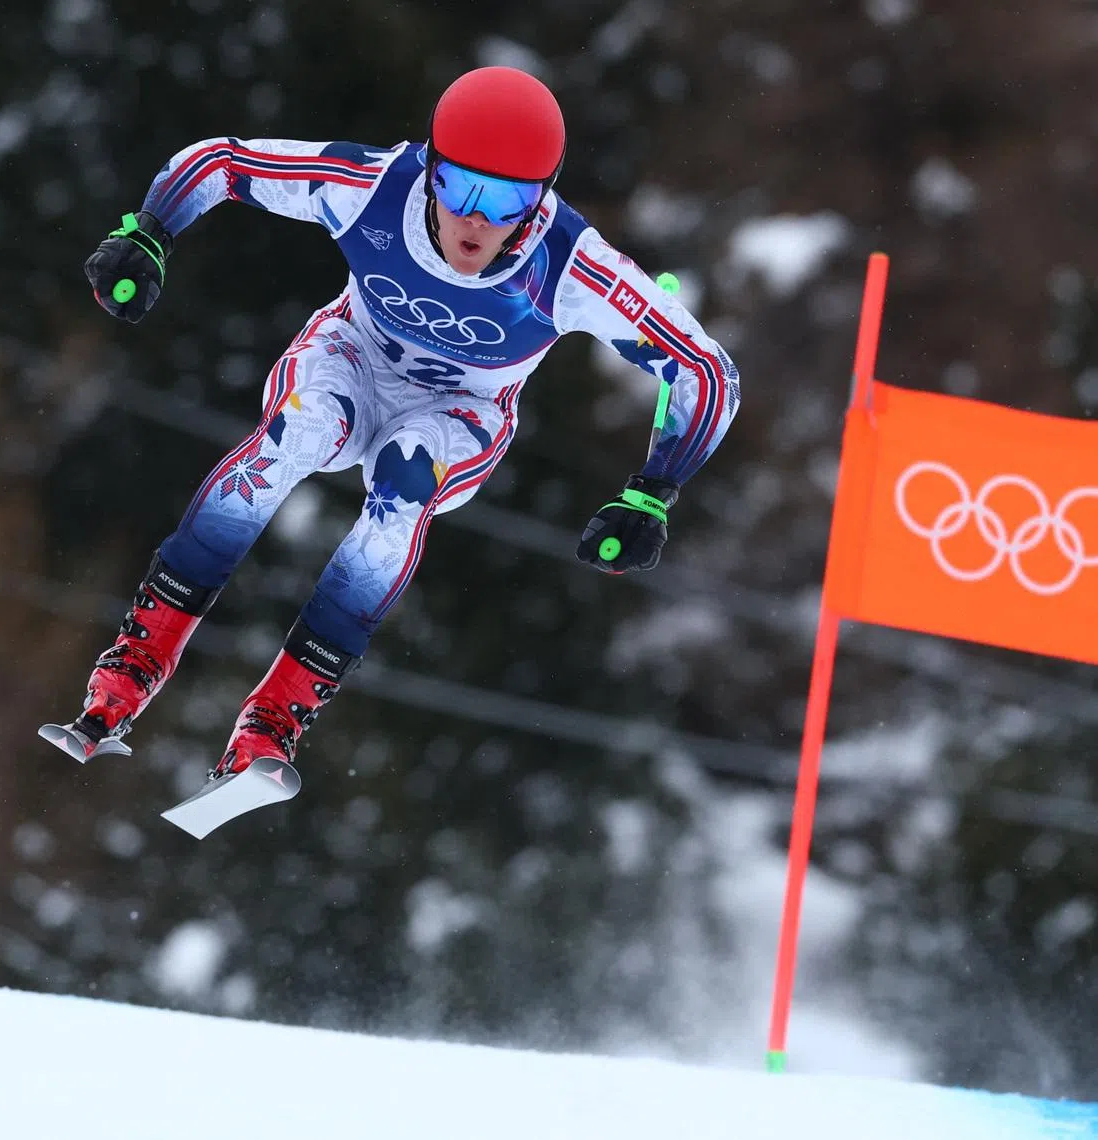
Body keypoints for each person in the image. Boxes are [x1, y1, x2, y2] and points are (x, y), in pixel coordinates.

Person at [46, 66, 742, 781]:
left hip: (461, 411)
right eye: (458, 188)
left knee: (406, 480)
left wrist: (654, 490)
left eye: (505, 200)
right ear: (430, 168)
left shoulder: (569, 267)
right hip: (350, 357)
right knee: (303, 430)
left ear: (540, 202)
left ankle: (274, 719)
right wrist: (149, 232)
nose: (475, 220)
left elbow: (707, 372)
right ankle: (137, 660)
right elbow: (222, 162)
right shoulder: (374, 188)